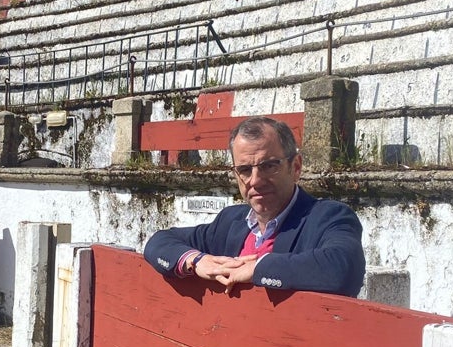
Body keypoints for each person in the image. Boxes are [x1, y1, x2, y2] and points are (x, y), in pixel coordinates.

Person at [143, 116, 365, 296]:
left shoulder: (328, 217)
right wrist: (196, 261)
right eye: (245, 170)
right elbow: (159, 242)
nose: (255, 180)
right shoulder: (230, 221)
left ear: (295, 167)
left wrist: (258, 268)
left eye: (269, 166)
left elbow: (344, 268)